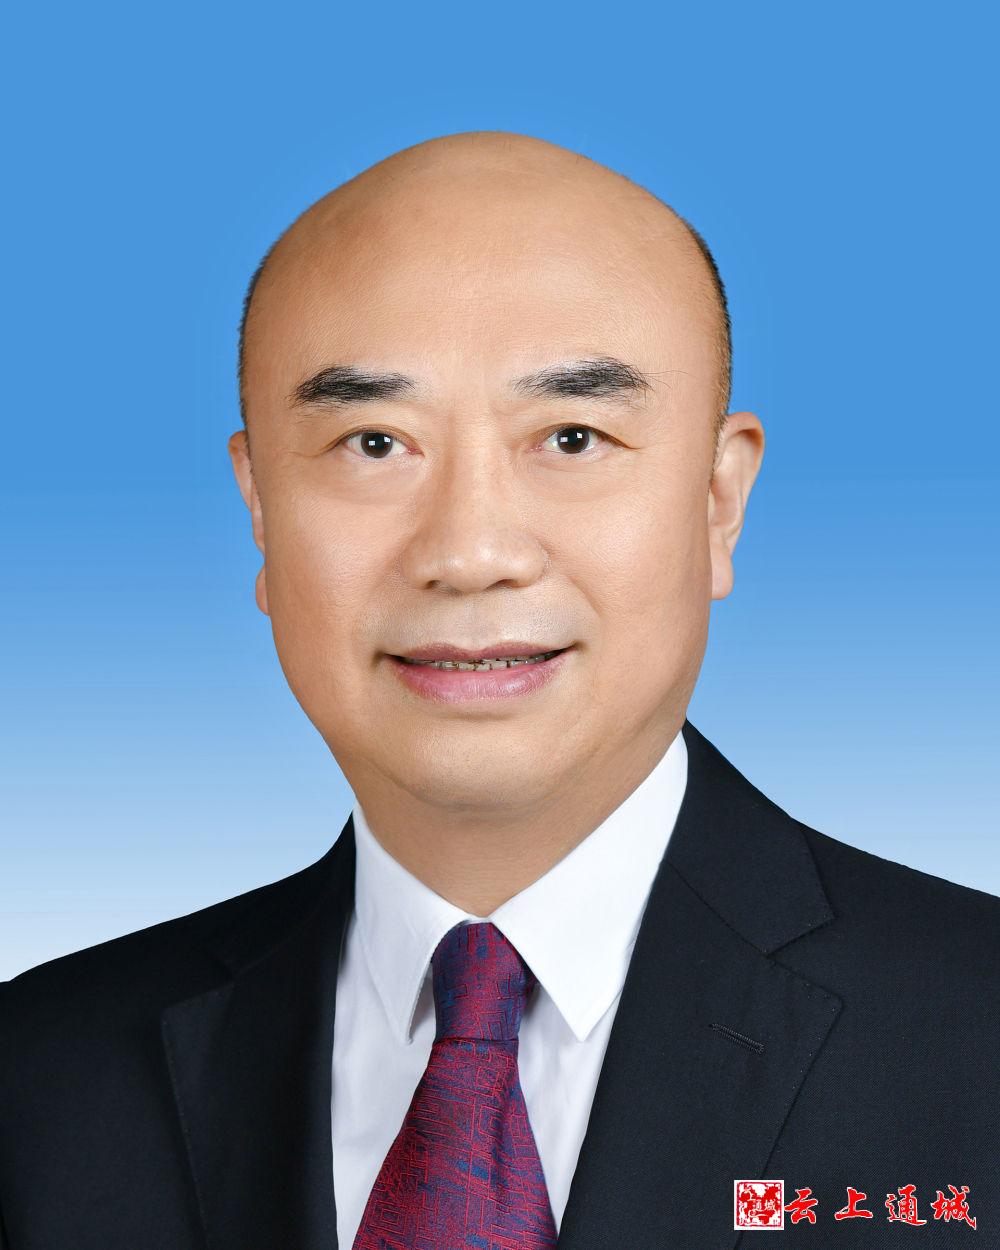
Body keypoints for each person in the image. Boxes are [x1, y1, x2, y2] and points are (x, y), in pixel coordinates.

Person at [1, 131, 997, 1250]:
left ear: (718, 502)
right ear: (261, 509)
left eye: (571, 436)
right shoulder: (40, 1079)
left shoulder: (975, 1031)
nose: (470, 552)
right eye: (374, 443)